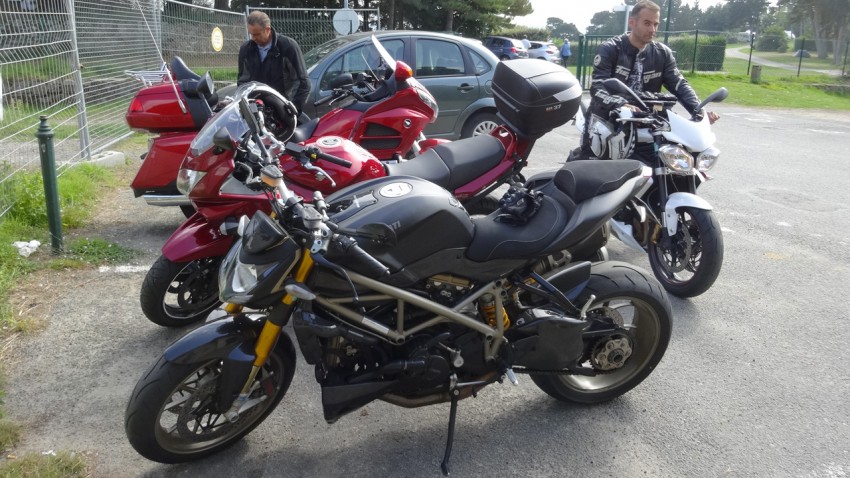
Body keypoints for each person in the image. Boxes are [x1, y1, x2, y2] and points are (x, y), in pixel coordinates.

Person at [576, 0, 718, 161]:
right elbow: (598, 86)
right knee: (589, 168)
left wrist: (698, 110)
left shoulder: (662, 53)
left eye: (656, 24)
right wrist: (620, 104)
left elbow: (679, 85)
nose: (652, 29)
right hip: (607, 120)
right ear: (632, 22)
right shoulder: (611, 48)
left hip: (648, 123)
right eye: (647, 23)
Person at [237, 11, 311, 115]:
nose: (253, 38)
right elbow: (242, 82)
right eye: (251, 34)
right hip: (256, 110)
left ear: (268, 30)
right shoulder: (245, 50)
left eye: (257, 34)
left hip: (283, 110)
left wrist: (292, 109)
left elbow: (302, 82)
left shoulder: (288, 47)